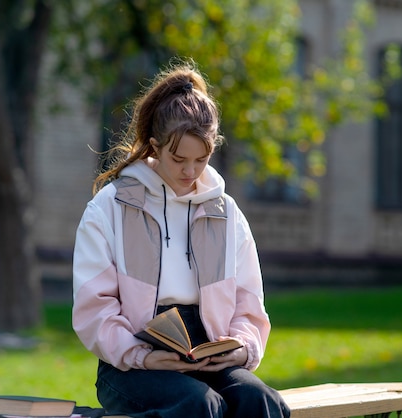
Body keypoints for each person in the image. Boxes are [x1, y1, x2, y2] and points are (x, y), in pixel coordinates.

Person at [71, 60, 290, 418]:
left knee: (262, 401)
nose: (190, 172)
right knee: (198, 406)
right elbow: (94, 310)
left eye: (201, 160)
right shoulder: (110, 207)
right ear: (155, 148)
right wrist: (140, 354)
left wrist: (243, 348)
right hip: (130, 363)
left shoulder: (225, 212)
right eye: (179, 159)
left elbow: (249, 304)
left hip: (207, 357)